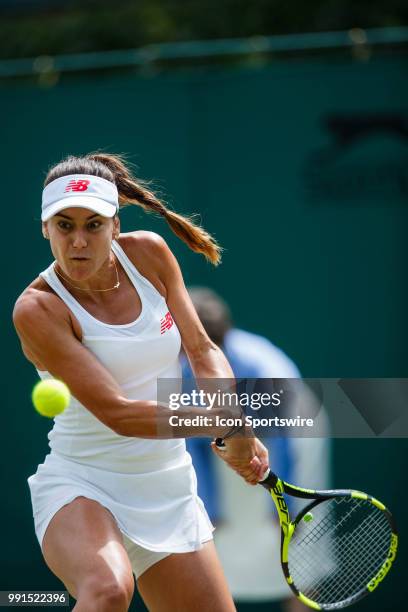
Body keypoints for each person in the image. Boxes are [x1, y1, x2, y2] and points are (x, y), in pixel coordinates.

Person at [12, 153, 268, 612]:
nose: (78, 242)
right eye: (64, 225)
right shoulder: (37, 309)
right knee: (108, 591)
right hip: (83, 484)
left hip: (166, 486)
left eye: (93, 225)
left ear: (115, 225)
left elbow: (203, 349)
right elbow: (119, 413)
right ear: (44, 229)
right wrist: (226, 427)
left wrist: (230, 416)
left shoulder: (148, 253)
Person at [183, 287, 331, 611]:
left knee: (298, 558)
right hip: (236, 438)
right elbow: (192, 443)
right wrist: (208, 506)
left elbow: (285, 442)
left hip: (295, 434)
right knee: (211, 544)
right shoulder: (183, 367)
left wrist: (286, 508)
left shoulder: (263, 369)